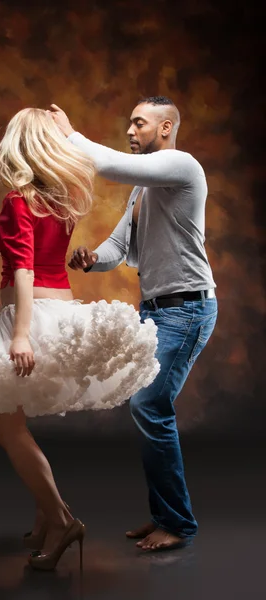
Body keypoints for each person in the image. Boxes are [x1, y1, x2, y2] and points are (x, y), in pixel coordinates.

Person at [0, 108, 159, 569]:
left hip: (31, 316)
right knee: (11, 420)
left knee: (7, 425)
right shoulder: (62, 199)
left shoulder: (19, 199)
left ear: (20, 144)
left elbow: (24, 270)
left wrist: (21, 334)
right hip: (61, 310)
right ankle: (49, 519)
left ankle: (63, 519)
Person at [49, 97, 218, 551]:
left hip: (187, 309)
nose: (130, 129)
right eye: (129, 122)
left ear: (165, 129)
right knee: (147, 408)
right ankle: (165, 513)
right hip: (157, 309)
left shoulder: (182, 166)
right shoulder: (143, 191)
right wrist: (91, 259)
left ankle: (177, 523)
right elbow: (118, 247)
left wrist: (69, 133)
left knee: (149, 405)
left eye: (139, 123)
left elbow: (109, 164)